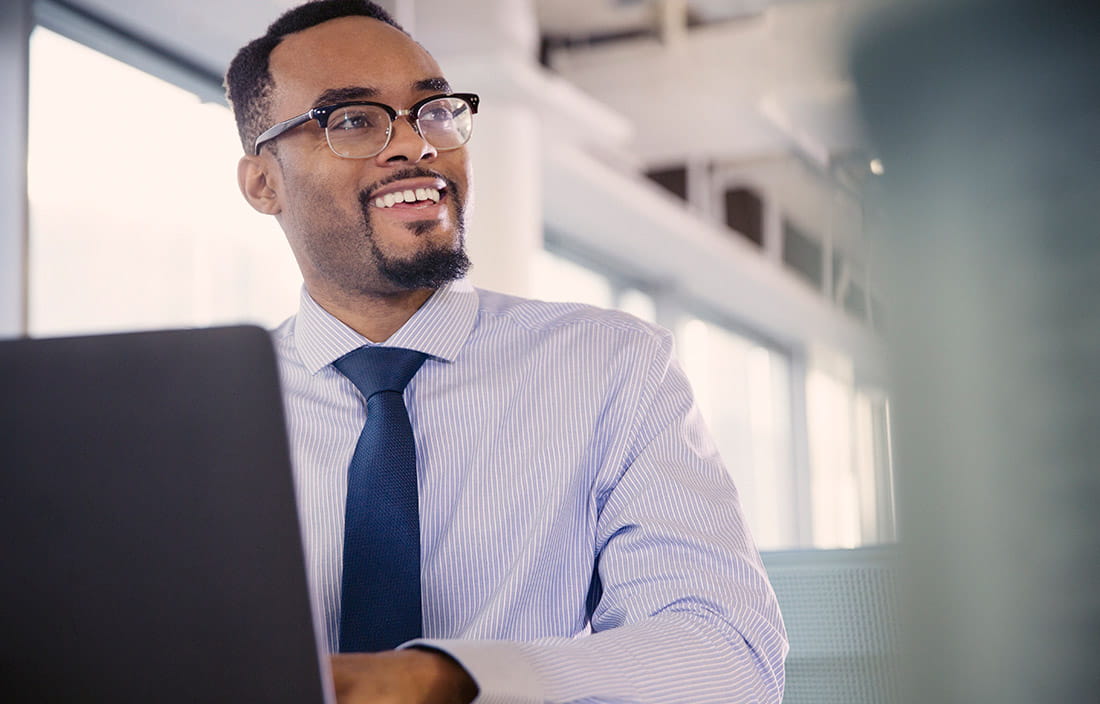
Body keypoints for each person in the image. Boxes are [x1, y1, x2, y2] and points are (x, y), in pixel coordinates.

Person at [226, 1, 787, 702]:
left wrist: (452, 680)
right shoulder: (205, 416)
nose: (417, 144)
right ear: (263, 183)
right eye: (354, 121)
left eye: (433, 111)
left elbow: (727, 654)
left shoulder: (610, 365)